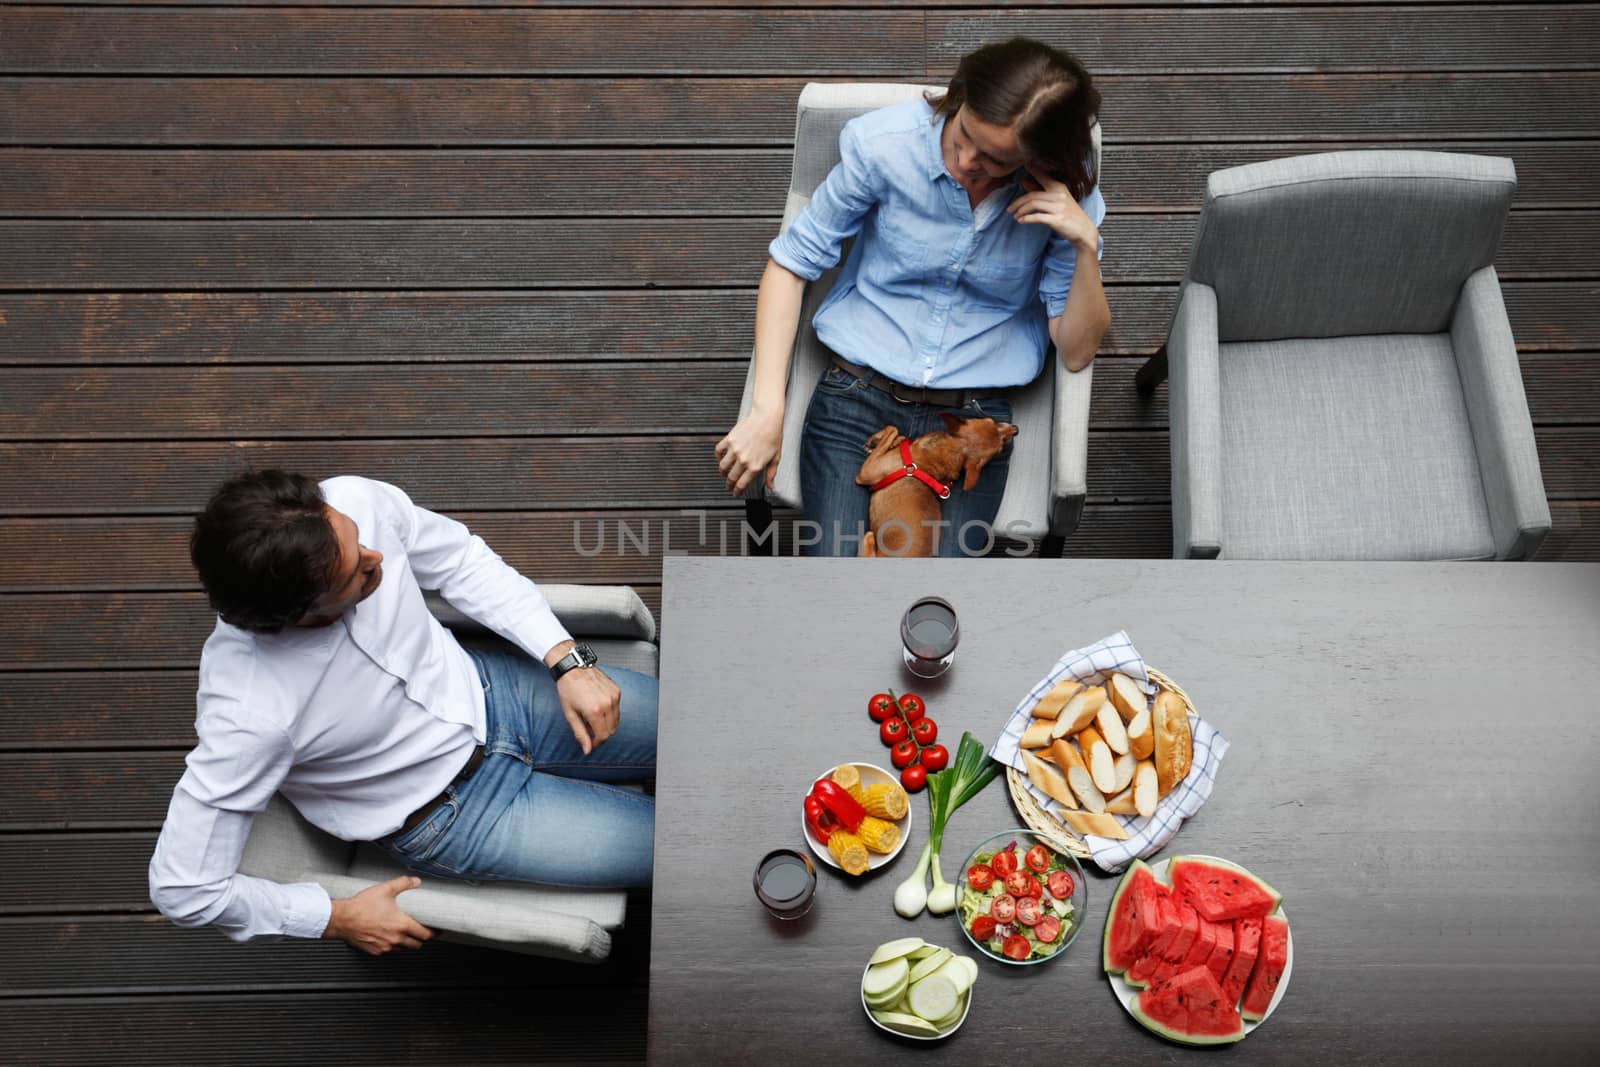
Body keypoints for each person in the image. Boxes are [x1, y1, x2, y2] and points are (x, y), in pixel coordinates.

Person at [148, 470, 657, 955]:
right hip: (456, 816)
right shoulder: (248, 716)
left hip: (497, 692)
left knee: (711, 734)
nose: (376, 556)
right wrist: (333, 917)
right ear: (300, 614)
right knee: (688, 848)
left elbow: (461, 561)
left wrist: (566, 661)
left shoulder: (355, 503)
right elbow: (183, 889)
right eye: (356, 572)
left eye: (356, 540)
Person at [714, 37, 1111, 557]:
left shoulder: (1066, 195)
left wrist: (1084, 244)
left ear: (1038, 160)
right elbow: (791, 263)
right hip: (856, 395)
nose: (966, 160)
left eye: (995, 160)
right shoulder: (884, 145)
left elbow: (1078, 348)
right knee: (834, 588)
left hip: (969, 423)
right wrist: (767, 408)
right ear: (959, 96)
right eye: (963, 134)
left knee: (931, 609)